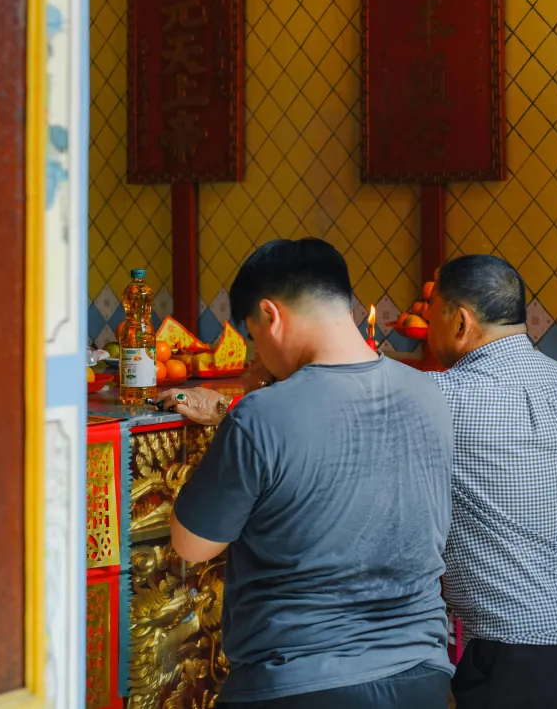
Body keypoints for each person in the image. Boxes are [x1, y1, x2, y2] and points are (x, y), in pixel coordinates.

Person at [157, 238, 454, 709]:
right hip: (421, 675)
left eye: (254, 337)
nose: (257, 354)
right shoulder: (431, 395)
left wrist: (240, 416)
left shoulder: (261, 416)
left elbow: (191, 545)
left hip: (296, 683)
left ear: (271, 316)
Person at [425, 254, 557, 709]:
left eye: (429, 314)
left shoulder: (441, 397)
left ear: (460, 321)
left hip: (514, 641)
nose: (426, 328)